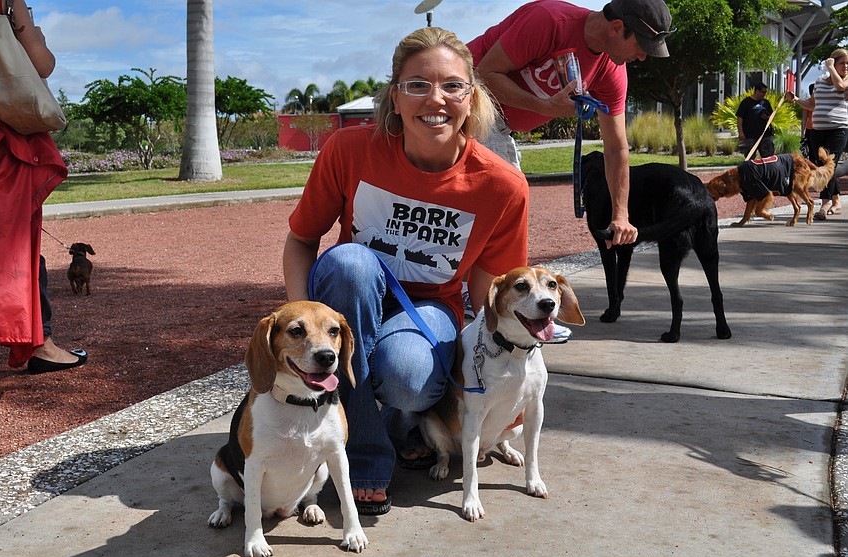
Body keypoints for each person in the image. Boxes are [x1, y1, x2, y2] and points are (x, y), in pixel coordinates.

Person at [282, 27, 533, 515]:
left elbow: (489, 303)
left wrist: (503, 383)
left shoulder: (502, 187)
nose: (434, 99)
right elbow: (301, 240)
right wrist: (300, 327)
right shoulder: (349, 150)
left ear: (471, 97)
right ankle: (367, 455)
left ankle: (394, 423)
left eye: (452, 85)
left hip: (428, 307)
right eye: (417, 84)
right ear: (394, 96)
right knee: (351, 261)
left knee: (412, 378)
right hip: (351, 297)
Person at [466, 0, 673, 249]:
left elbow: (616, 147)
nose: (642, 57)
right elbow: (484, 74)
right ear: (617, 27)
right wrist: (547, 107)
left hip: (499, 125)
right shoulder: (550, 21)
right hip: (465, 99)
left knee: (503, 209)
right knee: (504, 199)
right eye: (641, 46)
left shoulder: (611, 72)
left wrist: (620, 215)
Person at [0, 0, 87, 373]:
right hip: (5, 142)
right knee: (13, 248)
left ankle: (40, 340)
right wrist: (33, 32)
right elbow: (42, 64)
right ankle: (40, 344)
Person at [787, 49, 848, 219]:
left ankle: (825, 203)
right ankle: (836, 201)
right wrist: (796, 99)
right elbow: (812, 104)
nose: (846, 66)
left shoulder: (845, 81)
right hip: (817, 131)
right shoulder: (820, 81)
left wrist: (831, 69)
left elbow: (840, 86)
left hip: (838, 129)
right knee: (824, 167)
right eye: (842, 62)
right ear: (833, 62)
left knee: (828, 166)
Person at [736, 82, 775, 158]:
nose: (764, 94)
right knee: (750, 159)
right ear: (757, 91)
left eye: (765, 92)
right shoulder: (746, 102)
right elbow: (739, 117)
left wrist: (767, 117)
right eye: (763, 92)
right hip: (750, 136)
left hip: (765, 135)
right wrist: (740, 132)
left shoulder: (766, 103)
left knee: (768, 158)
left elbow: (771, 115)